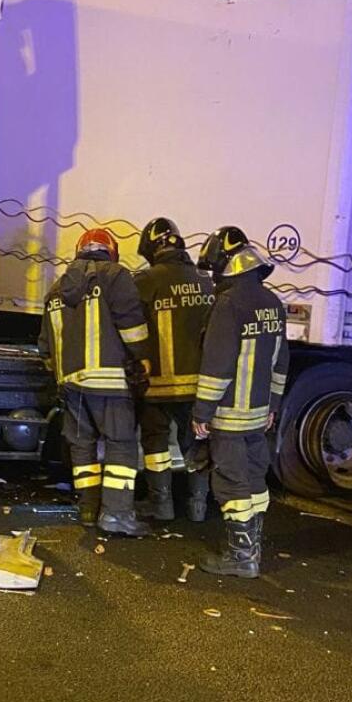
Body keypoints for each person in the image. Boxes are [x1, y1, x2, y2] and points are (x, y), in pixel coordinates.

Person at [39, 227, 153, 536]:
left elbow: (46, 349)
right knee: (121, 447)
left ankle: (89, 508)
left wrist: (64, 375)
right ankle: (116, 515)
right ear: (111, 251)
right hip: (111, 384)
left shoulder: (56, 291)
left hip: (71, 387)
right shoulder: (115, 276)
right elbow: (132, 326)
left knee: (82, 446)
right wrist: (143, 357)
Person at [192, 226, 289, 577]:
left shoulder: (228, 304)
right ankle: (253, 547)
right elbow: (281, 361)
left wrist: (202, 411)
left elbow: (217, 365)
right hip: (259, 414)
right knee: (253, 478)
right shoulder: (272, 303)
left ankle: (241, 557)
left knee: (230, 482)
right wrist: (274, 405)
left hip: (230, 414)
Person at [132, 217, 216, 522]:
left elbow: (130, 328)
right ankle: (197, 507)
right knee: (195, 443)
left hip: (157, 385)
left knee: (155, 443)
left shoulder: (144, 282)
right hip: (198, 386)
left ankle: (161, 505)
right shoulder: (208, 282)